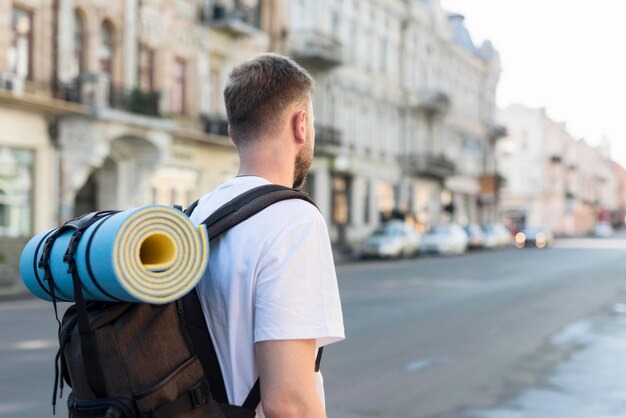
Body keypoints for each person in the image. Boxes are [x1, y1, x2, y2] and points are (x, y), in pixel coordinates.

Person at [188, 53, 345, 417]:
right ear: (301, 125)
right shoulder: (292, 219)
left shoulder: (198, 215)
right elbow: (288, 402)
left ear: (233, 134)